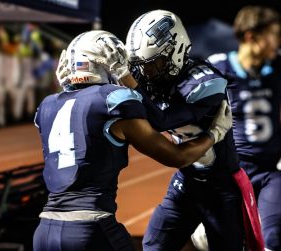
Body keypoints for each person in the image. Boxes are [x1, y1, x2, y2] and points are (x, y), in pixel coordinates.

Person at [32, 30, 232, 251]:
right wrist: (215, 134)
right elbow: (177, 156)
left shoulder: (47, 106)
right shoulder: (111, 100)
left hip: (44, 230)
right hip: (90, 227)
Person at [123, 9, 264, 251]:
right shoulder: (158, 82)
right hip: (186, 181)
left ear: (174, 51)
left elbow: (162, 120)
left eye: (153, 64)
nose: (146, 73)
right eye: (141, 67)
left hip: (220, 188)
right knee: (153, 244)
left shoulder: (206, 82)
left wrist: (128, 82)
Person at [190, 5, 281, 251]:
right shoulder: (219, 67)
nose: (277, 41)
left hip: (269, 171)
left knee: (272, 239)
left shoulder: (274, 69)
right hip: (232, 172)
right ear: (252, 36)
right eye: (273, 34)